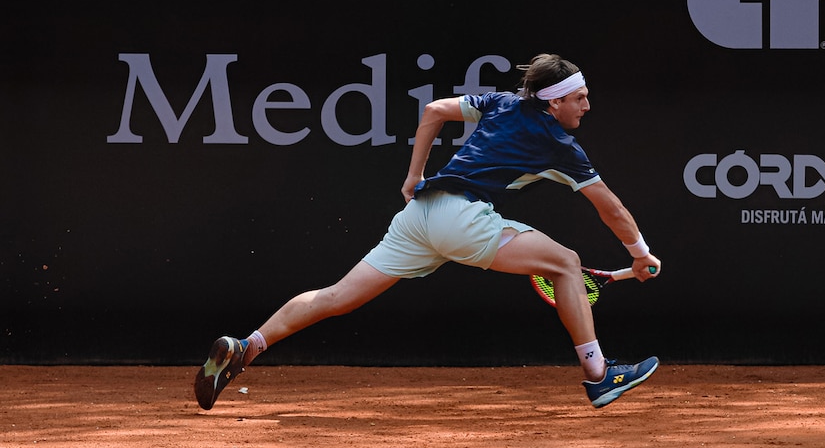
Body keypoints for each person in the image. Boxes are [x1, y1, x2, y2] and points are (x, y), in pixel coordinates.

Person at [194, 53, 662, 410]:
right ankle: (599, 376)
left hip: (419, 215)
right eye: (579, 98)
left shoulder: (500, 103)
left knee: (336, 296)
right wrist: (640, 253)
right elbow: (612, 208)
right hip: (462, 219)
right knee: (566, 263)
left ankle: (248, 345)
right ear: (555, 101)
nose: (587, 105)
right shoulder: (561, 144)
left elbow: (435, 109)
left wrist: (413, 175)